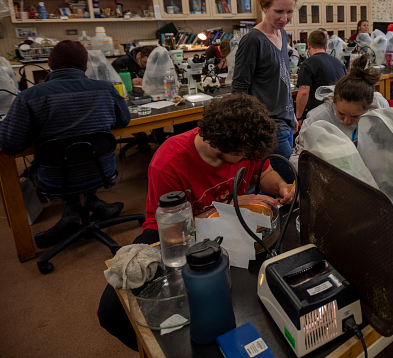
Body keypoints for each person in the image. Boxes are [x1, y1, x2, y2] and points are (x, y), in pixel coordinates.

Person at [98, 93, 295, 351]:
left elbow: (264, 171)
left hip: (229, 223)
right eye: (243, 155)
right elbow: (176, 226)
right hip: (170, 234)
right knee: (112, 311)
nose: (248, 158)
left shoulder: (244, 145)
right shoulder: (169, 161)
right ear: (219, 146)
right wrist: (235, 204)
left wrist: (280, 185)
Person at [0, 40, 130, 248]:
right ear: (85, 66)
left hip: (54, 178)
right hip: (102, 169)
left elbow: (9, 145)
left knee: (59, 164)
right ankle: (91, 204)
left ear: (50, 65)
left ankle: (75, 210)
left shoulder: (29, 97)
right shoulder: (106, 89)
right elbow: (123, 120)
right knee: (80, 160)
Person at [232, 0, 299, 183]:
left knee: (290, 183)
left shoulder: (283, 34)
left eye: (289, 12)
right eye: (278, 11)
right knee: (291, 181)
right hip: (268, 125)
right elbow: (240, 87)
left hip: (286, 121)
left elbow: (283, 79)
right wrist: (247, 126)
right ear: (264, 7)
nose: (284, 18)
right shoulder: (253, 40)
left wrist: (292, 113)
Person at [291, 55, 388, 168]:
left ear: (370, 104)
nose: (347, 121)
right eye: (341, 114)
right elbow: (298, 157)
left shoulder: (378, 109)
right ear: (334, 101)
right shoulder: (317, 118)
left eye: (355, 117)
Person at [295, 30, 346, 123]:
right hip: (337, 115)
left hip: (317, 117)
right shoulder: (338, 63)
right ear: (326, 47)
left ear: (309, 46)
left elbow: (303, 91)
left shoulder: (308, 63)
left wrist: (298, 117)